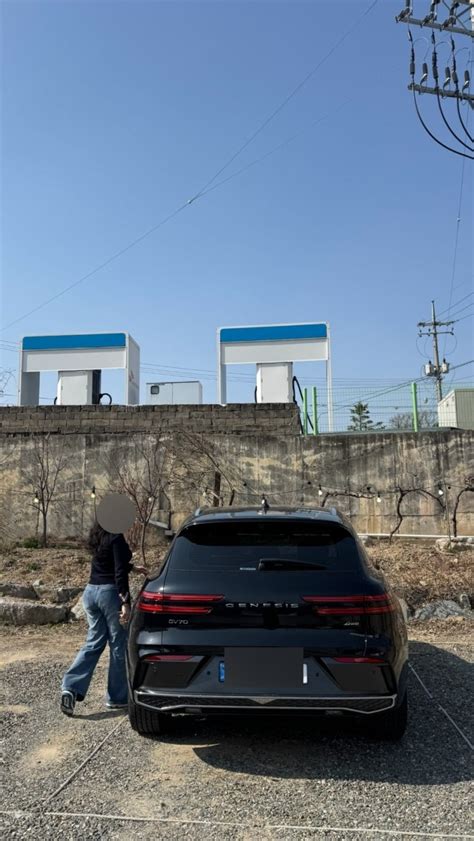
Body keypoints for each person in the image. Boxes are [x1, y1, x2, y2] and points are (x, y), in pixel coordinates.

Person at [60, 522, 147, 717]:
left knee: (93, 643)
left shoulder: (99, 535)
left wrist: (133, 568)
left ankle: (70, 687)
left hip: (90, 593)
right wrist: (125, 602)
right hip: (109, 594)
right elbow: (118, 572)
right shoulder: (116, 537)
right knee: (118, 644)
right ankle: (117, 698)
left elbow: (108, 562)